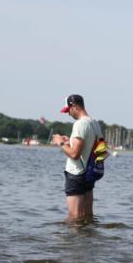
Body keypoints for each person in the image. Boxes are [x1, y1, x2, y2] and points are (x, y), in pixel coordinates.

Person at [51, 94, 103, 222]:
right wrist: (70, 142)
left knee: (75, 217)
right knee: (88, 216)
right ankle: (87, 240)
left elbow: (74, 154)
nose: (68, 114)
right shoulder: (95, 123)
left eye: (68, 110)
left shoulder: (80, 124)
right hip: (90, 175)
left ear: (73, 106)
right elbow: (101, 152)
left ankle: (74, 242)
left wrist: (60, 142)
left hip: (76, 174)